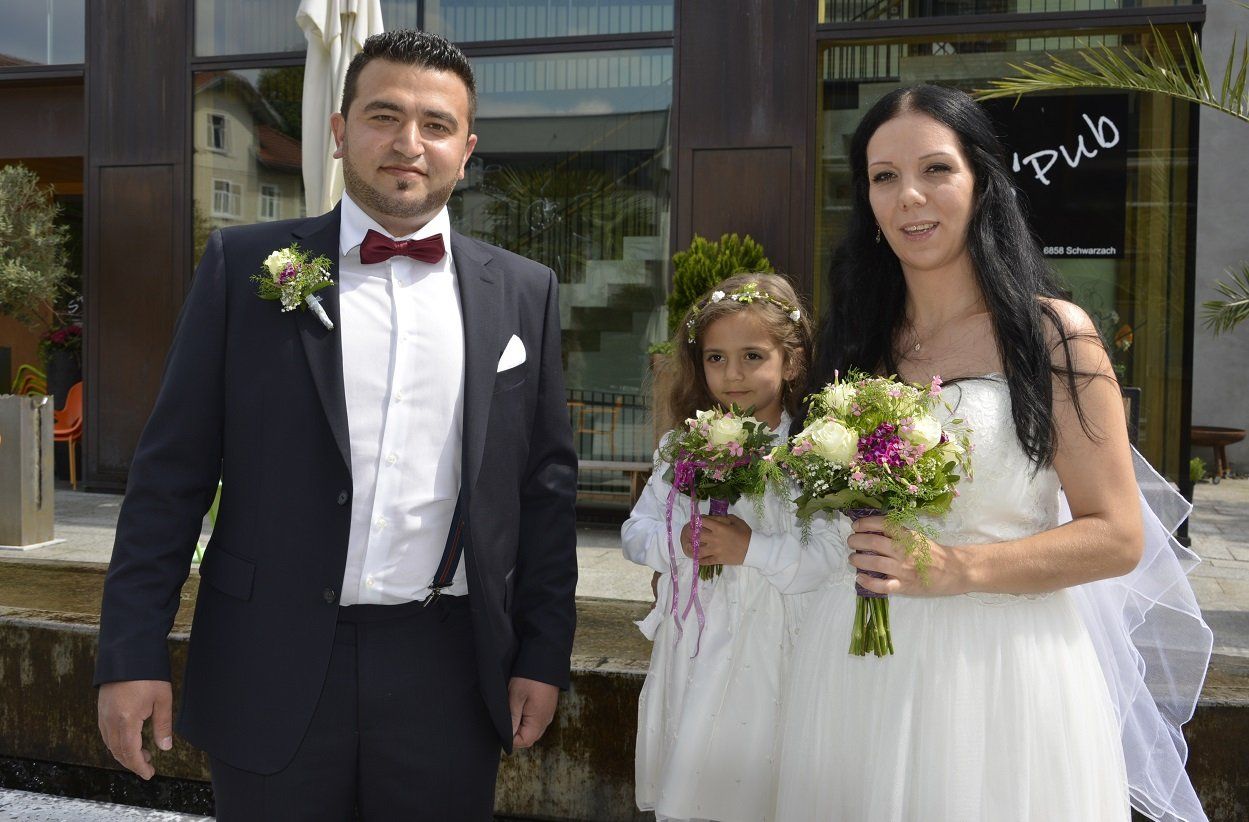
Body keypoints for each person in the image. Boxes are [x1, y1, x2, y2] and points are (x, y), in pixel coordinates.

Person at [94, 30, 577, 819]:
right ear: (339, 129)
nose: (408, 143)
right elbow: (169, 479)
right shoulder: (245, 268)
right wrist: (130, 653)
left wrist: (543, 655)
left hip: (449, 672)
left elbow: (545, 496)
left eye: (436, 124)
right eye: (384, 116)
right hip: (267, 661)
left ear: (465, 150)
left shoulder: (526, 292)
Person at [776, 83, 1207, 820]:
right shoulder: (852, 342)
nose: (910, 196)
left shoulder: (1051, 336)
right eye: (884, 176)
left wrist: (957, 568)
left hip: (1003, 676)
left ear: (981, 182)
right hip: (855, 667)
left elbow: (1117, 535)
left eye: (936, 169)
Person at [622, 273, 843, 822]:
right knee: (696, 777)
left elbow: (831, 556)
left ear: (791, 362)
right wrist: (676, 543)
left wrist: (753, 550)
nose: (733, 374)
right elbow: (635, 531)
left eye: (752, 356)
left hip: (776, 645)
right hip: (698, 644)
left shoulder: (810, 453)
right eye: (716, 358)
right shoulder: (680, 448)